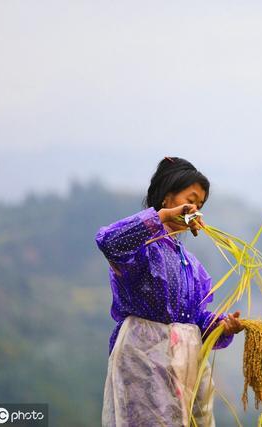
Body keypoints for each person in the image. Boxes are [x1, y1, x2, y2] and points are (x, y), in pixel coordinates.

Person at [96, 156, 245, 426]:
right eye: (191, 200)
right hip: (143, 359)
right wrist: (160, 218)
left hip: (183, 365)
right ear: (167, 198)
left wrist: (223, 325)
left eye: (200, 205)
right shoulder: (142, 248)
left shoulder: (188, 262)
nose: (195, 210)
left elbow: (194, 319)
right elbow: (108, 242)